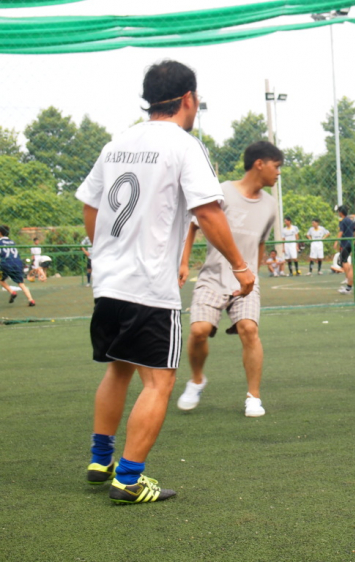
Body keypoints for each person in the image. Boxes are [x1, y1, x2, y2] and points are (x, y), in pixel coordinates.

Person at [75, 60, 254, 504]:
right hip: (148, 285)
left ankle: (101, 460)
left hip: (109, 282)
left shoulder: (117, 143)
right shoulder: (184, 145)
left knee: (119, 366)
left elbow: (90, 205)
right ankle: (129, 479)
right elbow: (208, 212)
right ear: (188, 99)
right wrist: (241, 267)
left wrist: (102, 253)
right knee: (159, 382)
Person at [176, 141, 280, 418]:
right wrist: (184, 263)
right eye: (276, 166)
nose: (278, 173)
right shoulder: (221, 192)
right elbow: (194, 225)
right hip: (212, 277)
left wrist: (254, 277)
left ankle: (253, 397)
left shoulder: (271, 205)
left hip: (245, 282)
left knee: (249, 329)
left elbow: (260, 243)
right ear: (260, 164)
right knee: (199, 331)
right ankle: (197, 380)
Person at [0, 225, 35, 306]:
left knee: (1, 279)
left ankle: (12, 292)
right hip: (17, 263)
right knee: (21, 283)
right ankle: (31, 300)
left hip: (5, 264)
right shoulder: (12, 242)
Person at [334, 206, 355, 294]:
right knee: (345, 260)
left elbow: (341, 232)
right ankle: (348, 278)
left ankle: (347, 278)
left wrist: (336, 242)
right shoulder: (351, 221)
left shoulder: (342, 221)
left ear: (341, 212)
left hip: (344, 243)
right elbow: (354, 230)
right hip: (351, 242)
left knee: (344, 261)